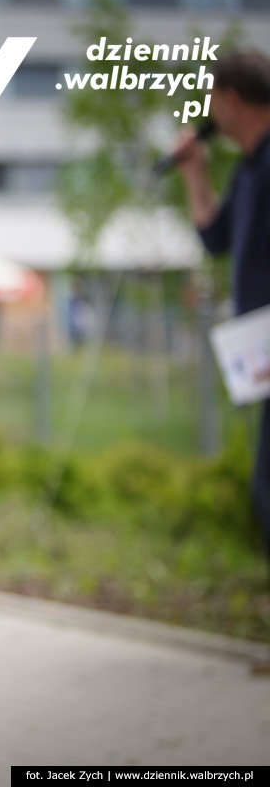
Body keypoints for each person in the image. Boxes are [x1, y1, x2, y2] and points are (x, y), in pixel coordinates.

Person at [174, 47, 270, 567]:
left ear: (230, 99)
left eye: (211, 100)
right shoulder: (252, 170)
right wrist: (194, 170)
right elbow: (215, 236)